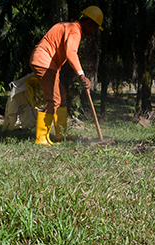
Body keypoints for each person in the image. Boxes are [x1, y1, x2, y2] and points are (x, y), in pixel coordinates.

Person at [30, 6, 103, 144]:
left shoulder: (70, 27)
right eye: (94, 28)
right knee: (54, 100)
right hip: (44, 62)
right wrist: (82, 75)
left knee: (61, 96)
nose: (93, 32)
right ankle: (41, 138)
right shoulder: (74, 30)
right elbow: (71, 53)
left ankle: (61, 134)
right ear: (89, 23)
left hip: (48, 64)